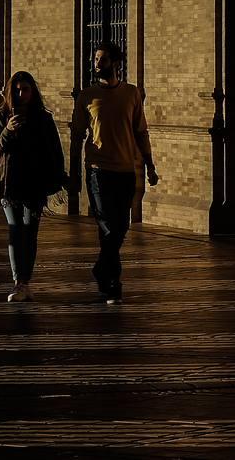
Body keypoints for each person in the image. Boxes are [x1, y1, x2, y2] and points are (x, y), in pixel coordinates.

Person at [70, 41, 158, 305]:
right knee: (107, 226)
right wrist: (73, 172)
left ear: (116, 63)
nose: (97, 64)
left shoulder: (132, 94)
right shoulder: (86, 96)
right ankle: (113, 285)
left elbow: (141, 132)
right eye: (96, 59)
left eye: (103, 59)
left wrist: (150, 164)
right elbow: (76, 136)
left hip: (125, 170)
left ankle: (101, 268)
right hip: (98, 171)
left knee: (120, 226)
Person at [0, 70, 67, 303]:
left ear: (33, 91)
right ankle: (18, 282)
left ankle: (26, 280)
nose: (21, 94)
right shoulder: (2, 115)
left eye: (25, 89)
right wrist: (8, 130)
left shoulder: (43, 118)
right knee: (15, 230)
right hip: (10, 182)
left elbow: (54, 150)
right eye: (17, 90)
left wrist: (58, 178)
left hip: (34, 181)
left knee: (30, 231)